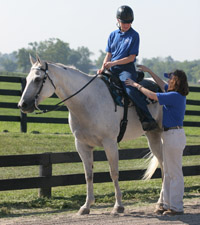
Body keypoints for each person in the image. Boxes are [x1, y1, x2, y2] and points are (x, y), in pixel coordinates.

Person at [125, 65, 189, 215]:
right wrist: (150, 71)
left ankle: (176, 207)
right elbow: (161, 84)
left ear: (176, 81)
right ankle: (167, 204)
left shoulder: (174, 96)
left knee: (174, 173)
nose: (168, 81)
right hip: (171, 135)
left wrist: (136, 85)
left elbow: (153, 96)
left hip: (174, 136)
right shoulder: (174, 94)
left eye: (171, 79)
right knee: (168, 171)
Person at [98, 5, 157, 131]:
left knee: (130, 90)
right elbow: (108, 54)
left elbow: (131, 58)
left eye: (129, 22)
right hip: (112, 68)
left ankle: (147, 118)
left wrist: (113, 64)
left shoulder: (134, 35)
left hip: (126, 70)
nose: (126, 25)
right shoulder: (112, 35)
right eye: (124, 22)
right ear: (118, 20)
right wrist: (103, 67)